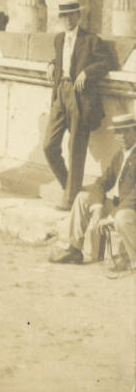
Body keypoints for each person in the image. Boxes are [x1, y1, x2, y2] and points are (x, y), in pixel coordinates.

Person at [43, 0, 112, 211]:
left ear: (79, 16)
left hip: (80, 97)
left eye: (71, 15)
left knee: (76, 148)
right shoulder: (59, 39)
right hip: (60, 94)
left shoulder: (91, 40)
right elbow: (61, 60)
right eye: (63, 16)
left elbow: (106, 62)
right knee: (49, 146)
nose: (67, 19)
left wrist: (87, 72)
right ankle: (70, 187)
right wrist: (51, 64)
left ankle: (71, 199)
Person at [49, 113, 136, 279]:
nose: (122, 136)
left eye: (127, 131)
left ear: (135, 131)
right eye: (118, 132)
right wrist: (97, 208)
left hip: (130, 208)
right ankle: (74, 248)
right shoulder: (120, 155)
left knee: (122, 218)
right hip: (117, 204)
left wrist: (111, 215)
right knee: (82, 197)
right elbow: (101, 182)